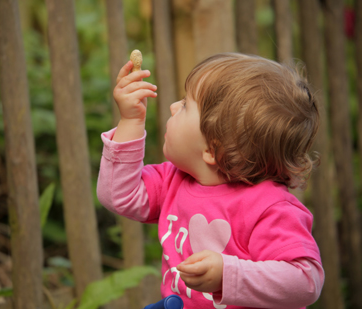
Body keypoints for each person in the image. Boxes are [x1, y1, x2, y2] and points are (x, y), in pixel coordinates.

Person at [97, 53, 324, 309]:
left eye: (184, 105)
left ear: (212, 150)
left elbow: (306, 281)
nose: (173, 106)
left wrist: (227, 275)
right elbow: (118, 196)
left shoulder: (271, 208)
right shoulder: (173, 180)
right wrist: (131, 121)